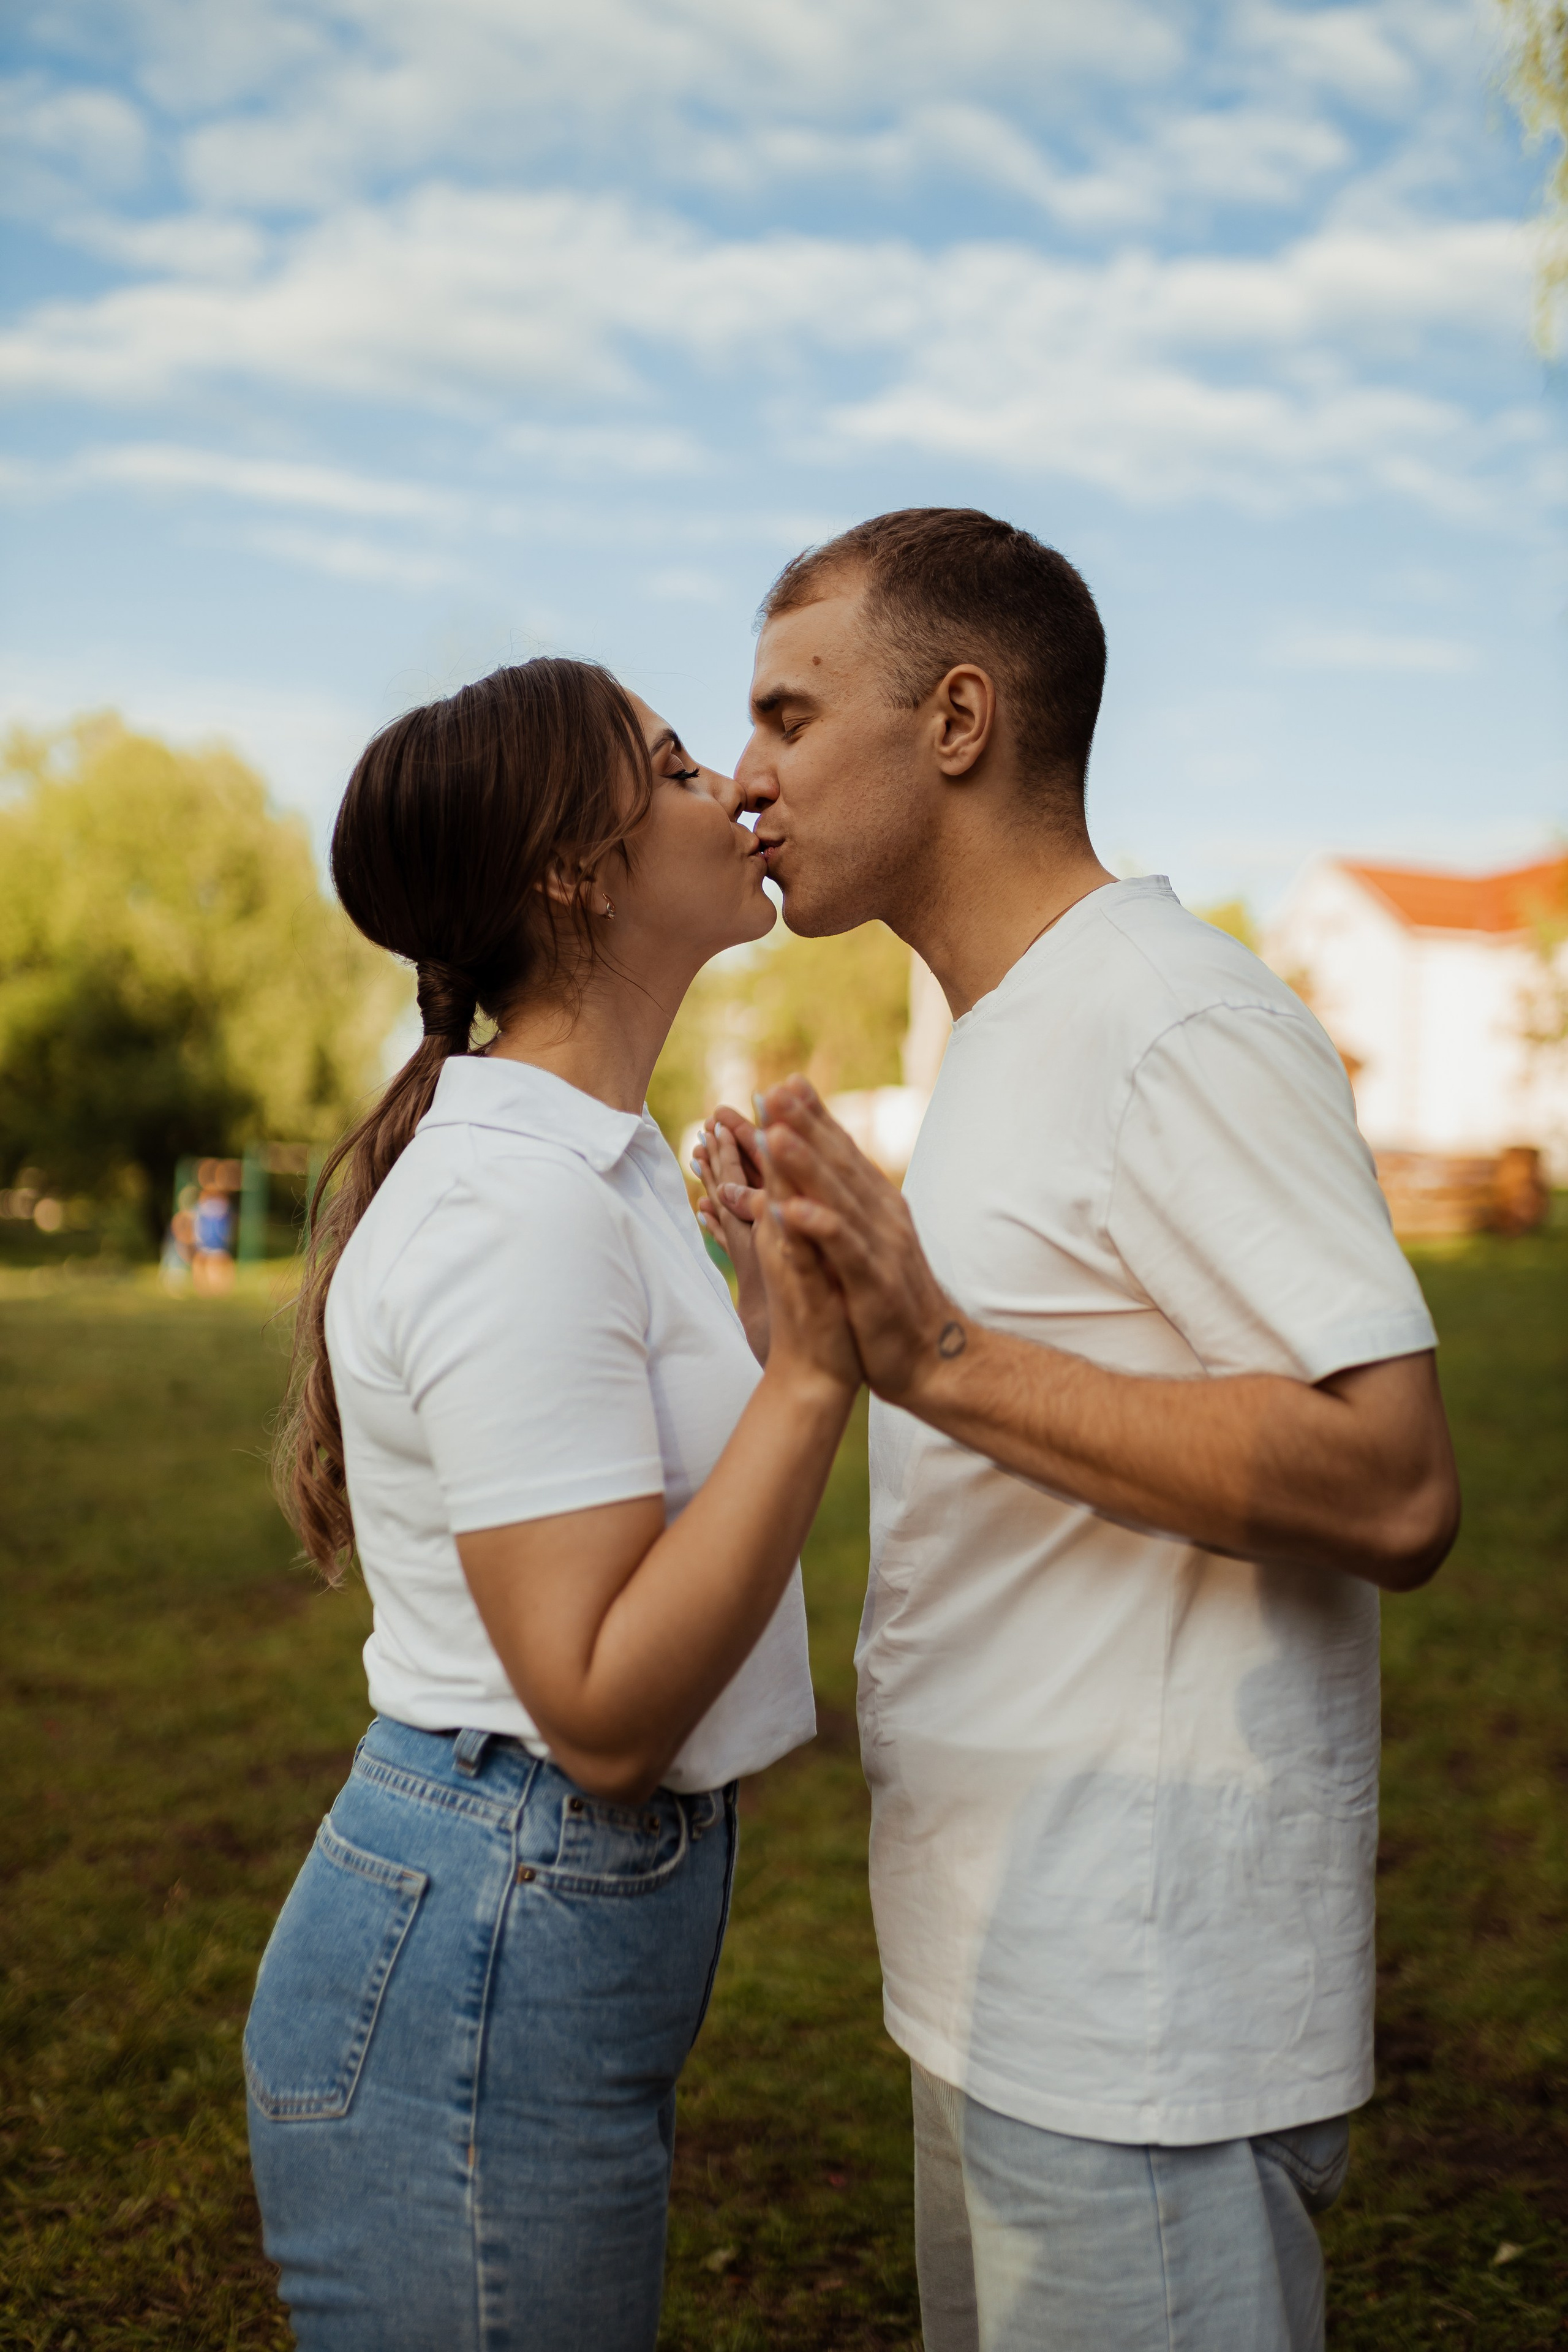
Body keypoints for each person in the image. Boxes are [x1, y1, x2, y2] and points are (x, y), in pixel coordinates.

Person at [692, 508, 1461, 2352]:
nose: (746, 776)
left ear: (958, 720)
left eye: (791, 715)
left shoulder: (1172, 1019)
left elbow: (1396, 1479)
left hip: (1144, 2023)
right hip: (996, 1981)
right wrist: (821, 1325)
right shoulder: (1000, 1032)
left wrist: (941, 1355)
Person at [247, 658, 859, 2351]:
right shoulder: (518, 1206)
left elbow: (655, 1525)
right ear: (576, 874)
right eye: (674, 766)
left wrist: (762, 1335)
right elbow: (598, 1708)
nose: (734, 786)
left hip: (519, 1935)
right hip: (484, 1950)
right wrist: (816, 1377)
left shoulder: (601, 1164)